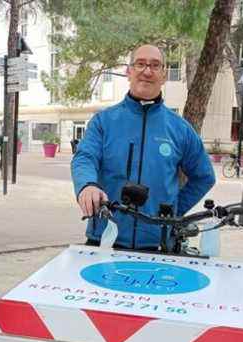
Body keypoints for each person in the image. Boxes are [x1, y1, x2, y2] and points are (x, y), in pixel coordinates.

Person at [71, 44, 216, 250]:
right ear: (128, 72)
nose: (147, 71)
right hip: (104, 239)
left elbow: (204, 176)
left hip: (159, 245)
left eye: (155, 65)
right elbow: (85, 158)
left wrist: (173, 210)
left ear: (163, 75)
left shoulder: (180, 129)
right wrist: (87, 185)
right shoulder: (103, 121)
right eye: (140, 64)